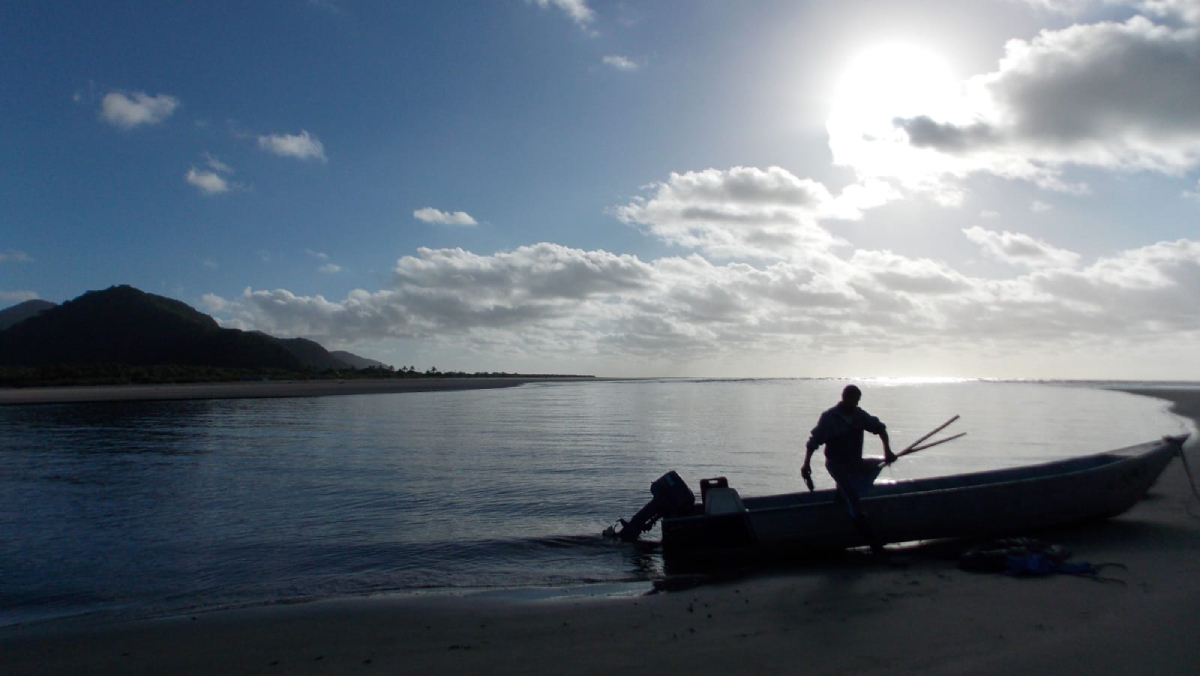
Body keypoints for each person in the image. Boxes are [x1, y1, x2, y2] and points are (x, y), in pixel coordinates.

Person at [802, 384, 896, 554]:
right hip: (835, 464)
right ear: (844, 398)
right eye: (852, 400)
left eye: (857, 401)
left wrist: (887, 451)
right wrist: (806, 464)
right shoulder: (829, 418)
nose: (854, 404)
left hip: (854, 463)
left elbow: (880, 428)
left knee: (876, 464)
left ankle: (839, 501)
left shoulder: (859, 415)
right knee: (852, 495)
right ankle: (872, 542)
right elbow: (814, 441)